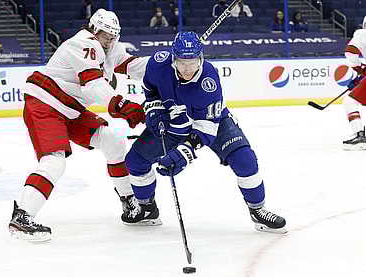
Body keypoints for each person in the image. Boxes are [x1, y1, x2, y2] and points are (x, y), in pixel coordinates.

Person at [121, 32, 287, 234]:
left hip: (212, 121)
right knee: (135, 161)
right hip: (174, 120)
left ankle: (258, 210)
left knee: (245, 159)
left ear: (201, 58)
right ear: (174, 59)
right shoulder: (158, 63)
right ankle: (147, 209)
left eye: (193, 62)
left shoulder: (209, 80)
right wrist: (154, 106)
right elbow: (150, 87)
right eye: (183, 63)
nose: (188, 69)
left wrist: (186, 151)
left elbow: (207, 126)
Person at [8, 8, 150, 242]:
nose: (110, 40)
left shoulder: (111, 47)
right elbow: (92, 84)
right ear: (94, 29)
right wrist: (121, 104)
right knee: (54, 161)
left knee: (113, 141)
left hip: (71, 110)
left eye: (114, 35)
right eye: (106, 35)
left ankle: (129, 202)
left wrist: (167, 63)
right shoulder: (83, 43)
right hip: (46, 103)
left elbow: (133, 66)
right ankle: (22, 217)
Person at [342, 16, 366, 150]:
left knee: (349, 102)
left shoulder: (362, 33)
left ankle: (360, 136)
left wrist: (359, 68)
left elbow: (350, 52)